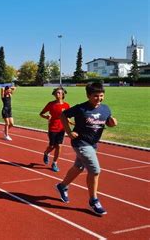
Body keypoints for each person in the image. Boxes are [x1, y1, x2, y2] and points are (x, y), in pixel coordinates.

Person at [55, 82, 117, 216]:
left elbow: (108, 122)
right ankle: (93, 200)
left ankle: (62, 186)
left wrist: (112, 123)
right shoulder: (81, 108)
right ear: (88, 96)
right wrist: (69, 132)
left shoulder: (105, 109)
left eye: (101, 96)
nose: (99, 99)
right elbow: (63, 115)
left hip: (93, 144)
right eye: (95, 96)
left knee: (79, 167)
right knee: (95, 170)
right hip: (80, 143)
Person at [39, 87, 70, 172]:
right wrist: (46, 116)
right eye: (56, 93)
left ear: (63, 94)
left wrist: (71, 122)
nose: (57, 94)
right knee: (52, 146)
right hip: (52, 127)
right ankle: (46, 153)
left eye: (59, 93)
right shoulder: (51, 104)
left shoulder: (66, 105)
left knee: (59, 146)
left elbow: (67, 117)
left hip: (62, 128)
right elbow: (41, 113)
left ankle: (55, 163)